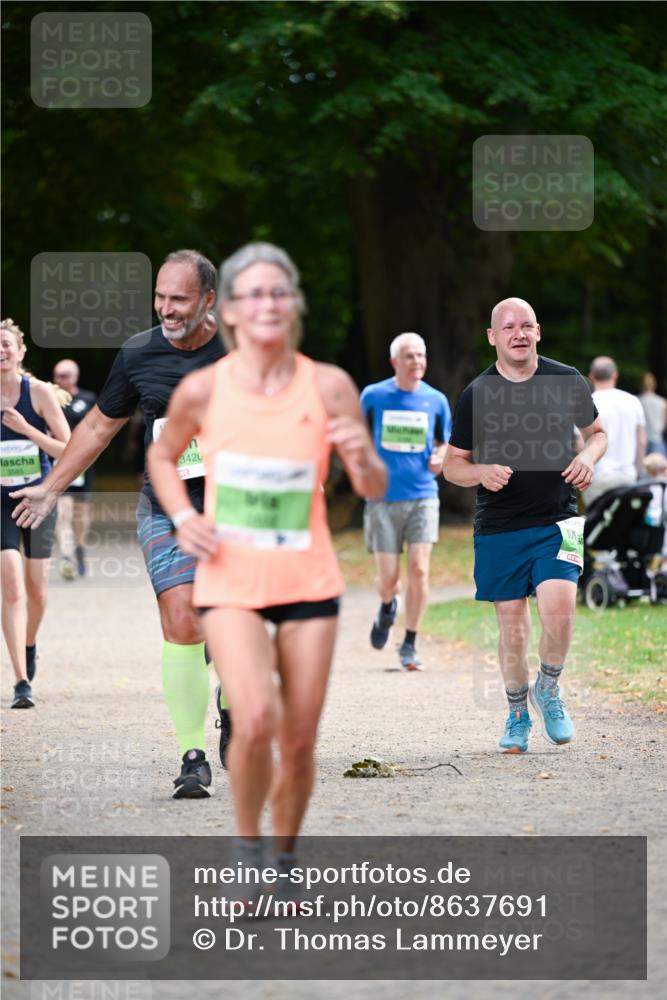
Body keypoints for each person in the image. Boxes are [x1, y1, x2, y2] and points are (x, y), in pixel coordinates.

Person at [148, 242, 386, 886]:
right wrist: (183, 515)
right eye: (251, 294)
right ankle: (248, 849)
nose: (266, 304)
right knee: (254, 720)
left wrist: (361, 457)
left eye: (277, 292)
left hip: (308, 580)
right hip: (230, 580)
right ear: (228, 310)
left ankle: (283, 860)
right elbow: (162, 458)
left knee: (300, 739)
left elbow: (371, 487)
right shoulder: (202, 388)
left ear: (295, 305)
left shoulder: (329, 384)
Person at [10, 251, 231, 797]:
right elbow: (98, 427)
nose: (166, 308)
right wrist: (51, 486)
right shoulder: (138, 353)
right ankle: (192, 756)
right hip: (167, 503)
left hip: (238, 507)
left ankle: (233, 698)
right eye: (160, 296)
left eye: (178, 299)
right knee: (182, 618)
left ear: (208, 300)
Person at [443, 297, 606, 753]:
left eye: (527, 326)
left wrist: (587, 457)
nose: (519, 333)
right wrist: (479, 472)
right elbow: (452, 465)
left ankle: (548, 689)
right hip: (499, 524)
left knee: (561, 609)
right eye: (508, 327)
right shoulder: (477, 394)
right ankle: (517, 712)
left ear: (538, 332)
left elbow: (598, 433)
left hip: (560, 517)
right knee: (513, 626)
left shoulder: (566, 379)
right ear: (493, 337)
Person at [361, 333, 451, 670]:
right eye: (410, 356)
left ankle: (410, 643)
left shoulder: (436, 400)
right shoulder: (374, 396)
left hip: (423, 495)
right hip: (382, 498)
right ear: (394, 362)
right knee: (388, 580)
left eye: (421, 355)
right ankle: (387, 606)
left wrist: (440, 456)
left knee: (419, 570)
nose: (417, 362)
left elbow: (445, 441)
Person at [1, 318, 71, 707]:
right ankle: (20, 681)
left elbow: (70, 449)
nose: (1, 350)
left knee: (37, 590)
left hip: (39, 497)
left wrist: (29, 430)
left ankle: (29, 642)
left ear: (20, 352)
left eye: (6, 344)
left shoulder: (39, 393)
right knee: (11, 583)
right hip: (0, 502)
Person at [51, 359, 98, 579]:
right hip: (59, 461)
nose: (59, 380)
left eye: (64, 376)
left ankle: (79, 549)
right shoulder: (49, 398)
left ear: (75, 377)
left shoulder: (88, 399)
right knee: (62, 511)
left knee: (80, 514)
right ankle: (67, 556)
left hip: (83, 463)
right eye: (56, 376)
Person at [582, 356, 646, 507]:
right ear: (615, 375)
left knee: (596, 526)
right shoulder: (633, 401)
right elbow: (642, 441)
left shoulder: (587, 402)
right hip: (627, 477)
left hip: (597, 477)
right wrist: (636, 472)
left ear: (591, 376)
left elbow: (580, 443)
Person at [638, 371, 667, 457]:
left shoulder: (636, 401)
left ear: (641, 385)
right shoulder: (662, 402)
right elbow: (665, 425)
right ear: (654, 385)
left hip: (641, 440)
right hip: (657, 438)